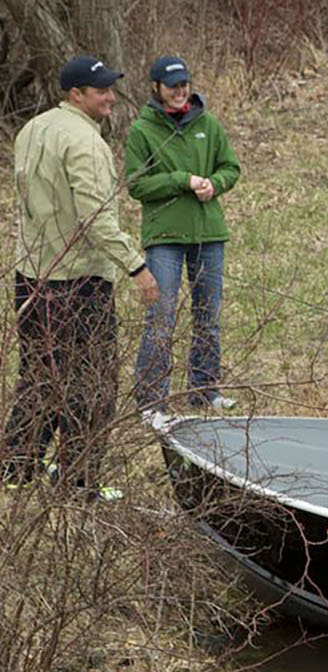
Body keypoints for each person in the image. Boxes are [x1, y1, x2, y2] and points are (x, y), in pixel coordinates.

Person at [4, 55, 159, 499]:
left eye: (110, 88)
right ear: (76, 95)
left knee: (38, 376)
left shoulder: (31, 130)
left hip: (32, 276)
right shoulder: (85, 143)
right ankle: (79, 482)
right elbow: (96, 219)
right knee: (92, 383)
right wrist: (137, 267)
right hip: (78, 283)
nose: (111, 97)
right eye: (102, 91)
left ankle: (16, 471)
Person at [126, 55, 242, 412]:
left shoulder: (208, 123)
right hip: (165, 239)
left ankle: (204, 390)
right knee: (161, 317)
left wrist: (215, 184)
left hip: (209, 235)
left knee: (208, 316)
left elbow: (231, 167)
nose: (180, 92)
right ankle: (151, 400)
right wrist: (182, 180)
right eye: (172, 86)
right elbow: (136, 184)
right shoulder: (142, 130)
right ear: (156, 89)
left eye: (184, 85)